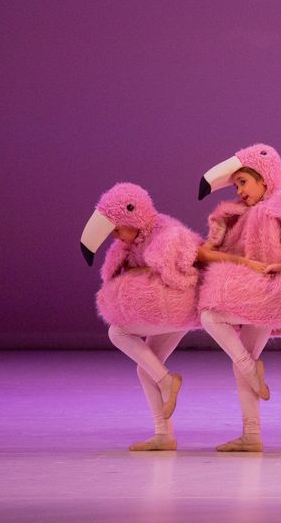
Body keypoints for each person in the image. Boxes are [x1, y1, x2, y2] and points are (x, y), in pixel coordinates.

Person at [196, 143, 281, 452]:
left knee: (210, 313)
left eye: (243, 182)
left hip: (274, 290)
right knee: (244, 359)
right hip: (261, 294)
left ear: (264, 177)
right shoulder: (241, 215)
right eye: (236, 184)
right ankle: (251, 434)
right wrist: (242, 261)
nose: (239, 190)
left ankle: (248, 367)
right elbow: (206, 252)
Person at [80, 182, 201, 451]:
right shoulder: (132, 242)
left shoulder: (166, 231)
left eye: (118, 228)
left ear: (132, 215)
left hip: (176, 306)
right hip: (174, 313)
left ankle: (167, 381)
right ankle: (163, 434)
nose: (115, 236)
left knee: (118, 332)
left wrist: (138, 275)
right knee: (146, 366)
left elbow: (175, 262)